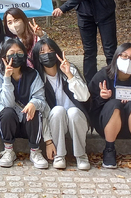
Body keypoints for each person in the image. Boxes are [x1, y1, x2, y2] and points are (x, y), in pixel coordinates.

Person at [88, 42, 131, 170]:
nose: (128, 60)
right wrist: (102, 98)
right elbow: (89, 105)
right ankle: (109, 149)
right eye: (124, 56)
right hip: (107, 126)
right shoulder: (103, 76)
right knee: (114, 104)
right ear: (116, 57)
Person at [31, 38, 91, 171]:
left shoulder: (70, 69)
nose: (47, 55)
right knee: (58, 110)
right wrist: (48, 141)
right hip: (55, 122)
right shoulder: (38, 78)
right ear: (37, 57)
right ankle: (60, 155)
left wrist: (69, 74)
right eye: (42, 52)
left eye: (51, 51)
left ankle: (81, 155)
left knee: (73, 112)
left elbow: (84, 96)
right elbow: (44, 111)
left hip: (76, 120)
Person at [0, 38, 49, 169]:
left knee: (35, 110)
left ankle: (35, 152)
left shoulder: (33, 74)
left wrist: (33, 103)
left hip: (29, 123)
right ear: (4, 56)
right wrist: (7, 78)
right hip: (9, 123)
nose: (15, 56)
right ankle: (8, 150)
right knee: (7, 112)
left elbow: (41, 99)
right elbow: (7, 103)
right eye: (11, 53)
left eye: (19, 53)